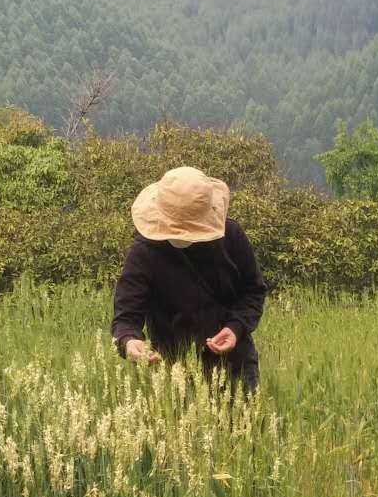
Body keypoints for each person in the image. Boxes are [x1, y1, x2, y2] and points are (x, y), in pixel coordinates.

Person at [111, 166, 267, 390]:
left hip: (236, 365)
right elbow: (126, 316)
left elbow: (253, 291)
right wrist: (130, 341)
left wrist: (235, 328)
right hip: (171, 372)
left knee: (244, 424)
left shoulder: (231, 235)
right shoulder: (144, 251)